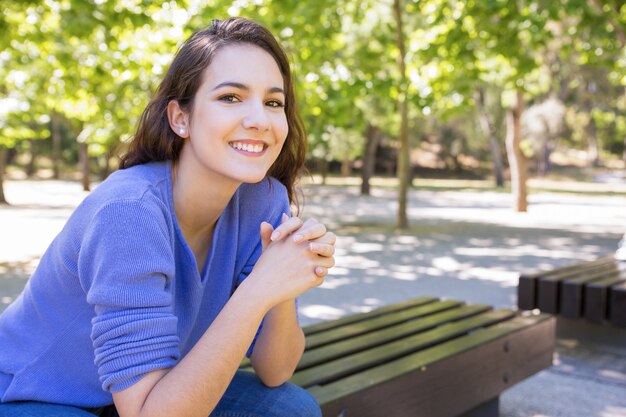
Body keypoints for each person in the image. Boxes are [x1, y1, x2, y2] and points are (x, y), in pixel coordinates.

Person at [0, 17, 335, 417]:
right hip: (38, 396)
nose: (259, 119)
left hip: (145, 392)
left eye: (273, 102)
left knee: (290, 409)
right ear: (180, 118)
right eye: (230, 97)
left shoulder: (264, 202)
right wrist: (257, 290)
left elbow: (276, 370)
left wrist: (280, 285)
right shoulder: (129, 212)